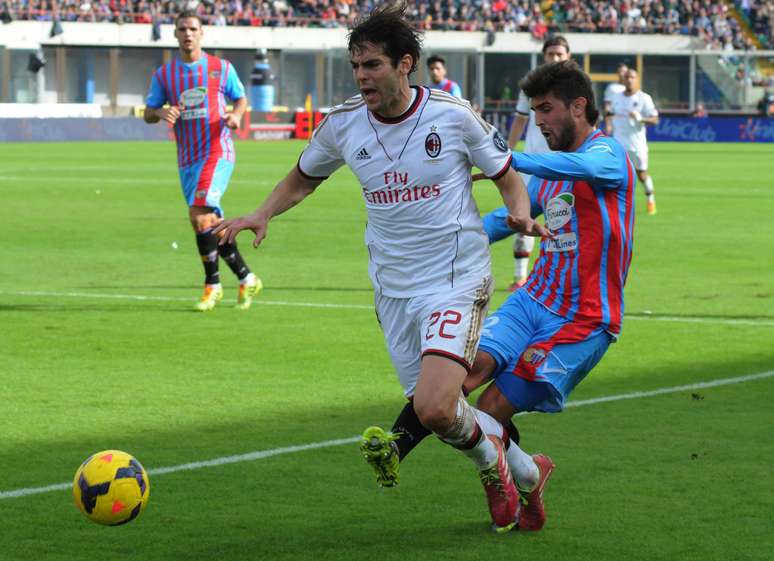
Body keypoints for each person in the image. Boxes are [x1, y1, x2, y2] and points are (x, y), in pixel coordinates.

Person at [213, 1, 549, 533]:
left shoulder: (452, 116)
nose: (362, 77)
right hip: (393, 290)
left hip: (456, 278)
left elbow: (506, 173)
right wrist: (261, 212)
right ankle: (529, 469)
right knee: (434, 410)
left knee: (437, 407)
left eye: (372, 65)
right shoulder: (344, 125)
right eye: (356, 67)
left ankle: (494, 472)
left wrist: (519, 213)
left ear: (405, 64)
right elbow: (302, 177)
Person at [361, 60, 636, 533]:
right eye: (533, 112)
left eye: (546, 110)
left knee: (488, 410)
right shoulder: (546, 179)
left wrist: (500, 158)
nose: (540, 122)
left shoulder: (608, 155)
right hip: (531, 302)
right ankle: (404, 448)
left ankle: (521, 475)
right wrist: (440, 241)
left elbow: (585, 167)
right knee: (457, 384)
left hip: (584, 321)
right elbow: (502, 221)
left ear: (579, 106)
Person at [144, 11, 262, 311]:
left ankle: (212, 285)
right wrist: (161, 112)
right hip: (186, 159)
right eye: (182, 29)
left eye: (193, 28)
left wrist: (236, 115)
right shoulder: (165, 75)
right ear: (175, 34)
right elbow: (148, 111)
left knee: (198, 213)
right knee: (209, 223)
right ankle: (247, 279)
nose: (188, 33)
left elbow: (241, 98)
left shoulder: (220, 69)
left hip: (217, 151)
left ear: (202, 33)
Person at [483, 35, 572, 292]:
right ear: (544, 56)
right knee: (519, 219)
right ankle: (520, 277)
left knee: (565, 227)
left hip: (566, 169)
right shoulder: (531, 85)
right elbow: (520, 120)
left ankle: (555, 281)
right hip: (534, 168)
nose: (555, 58)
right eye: (551, 54)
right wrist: (507, 154)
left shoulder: (577, 87)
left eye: (560, 54)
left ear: (568, 56)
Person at [606, 68, 659, 215]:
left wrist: (641, 118)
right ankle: (617, 206)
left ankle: (650, 198)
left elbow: (655, 119)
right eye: (627, 77)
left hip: (637, 145)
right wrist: (608, 120)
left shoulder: (644, 98)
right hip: (618, 144)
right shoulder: (616, 97)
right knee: (617, 175)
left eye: (632, 77)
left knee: (641, 175)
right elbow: (610, 113)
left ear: (637, 79)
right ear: (623, 79)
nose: (629, 80)